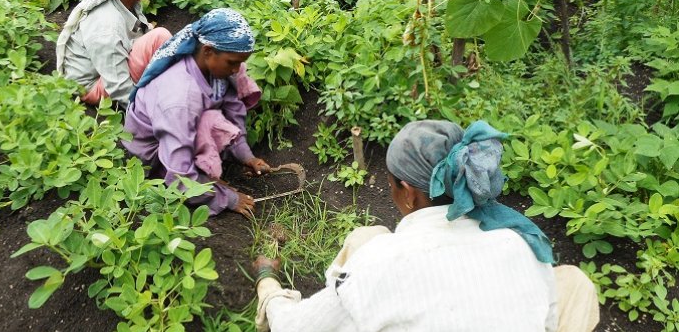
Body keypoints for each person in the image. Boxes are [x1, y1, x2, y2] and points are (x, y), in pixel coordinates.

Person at [253, 120, 601, 332]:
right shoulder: (518, 245)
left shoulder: (379, 263)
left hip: (371, 283)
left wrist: (268, 284)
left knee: (366, 239)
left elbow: (296, 327)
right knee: (571, 282)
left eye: (391, 184)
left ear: (408, 193)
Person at [124, 8, 271, 218]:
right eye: (232, 62)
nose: (236, 69)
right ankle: (201, 179)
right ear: (208, 51)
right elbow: (179, 176)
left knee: (211, 118)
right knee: (183, 176)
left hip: (180, 132)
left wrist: (246, 156)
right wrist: (227, 198)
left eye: (240, 62)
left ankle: (204, 171)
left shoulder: (214, 70)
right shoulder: (180, 97)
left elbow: (233, 110)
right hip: (152, 157)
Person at [55, 0, 171, 109]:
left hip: (102, 70)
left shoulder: (124, 0)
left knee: (158, 38)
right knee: (160, 37)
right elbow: (118, 85)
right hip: (92, 86)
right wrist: (145, 113)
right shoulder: (106, 26)